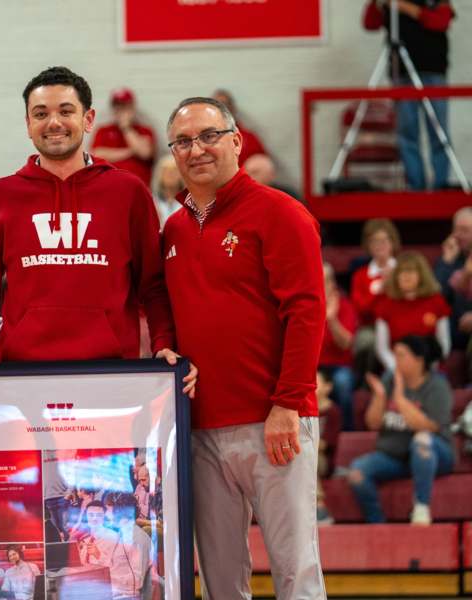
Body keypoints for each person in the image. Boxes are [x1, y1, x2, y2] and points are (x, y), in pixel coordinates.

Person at [0, 66, 194, 404]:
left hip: (112, 379)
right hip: (22, 381)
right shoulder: (0, 197)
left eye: (66, 111)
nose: (54, 122)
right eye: (41, 113)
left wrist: (164, 346)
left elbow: (153, 287)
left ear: (88, 119)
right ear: (28, 124)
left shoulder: (128, 192)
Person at [163, 97, 326, 599]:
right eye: (184, 141)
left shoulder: (280, 213)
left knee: (295, 571)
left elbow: (307, 312)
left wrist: (287, 404)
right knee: (220, 582)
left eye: (209, 136)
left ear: (236, 141)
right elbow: (167, 314)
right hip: (200, 429)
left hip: (274, 423)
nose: (197, 150)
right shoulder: (171, 229)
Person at [349, 335, 454, 524]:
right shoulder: (390, 380)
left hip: (434, 456)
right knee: (357, 472)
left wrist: (399, 398)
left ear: (419, 360)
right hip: (395, 457)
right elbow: (372, 423)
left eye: (401, 355)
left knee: (421, 440)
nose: (395, 360)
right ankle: (377, 525)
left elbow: (428, 426)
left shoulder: (437, 386)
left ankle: (421, 507)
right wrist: (380, 396)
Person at [363, 0, 455, 190]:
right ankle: (416, 185)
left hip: (433, 70)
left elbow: (441, 21)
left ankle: (440, 186)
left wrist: (402, 6)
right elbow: (370, 23)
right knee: (407, 132)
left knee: (438, 130)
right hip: (402, 73)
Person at [374, 251, 450, 373]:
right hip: (396, 369)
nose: (406, 276)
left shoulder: (437, 302)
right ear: (396, 276)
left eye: (411, 271)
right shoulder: (386, 305)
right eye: (402, 272)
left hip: (430, 369)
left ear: (422, 275)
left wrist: (426, 367)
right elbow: (382, 349)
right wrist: (398, 369)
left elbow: (444, 343)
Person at [91, 87, 156, 187]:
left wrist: (126, 128)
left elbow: (144, 153)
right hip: (108, 187)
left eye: (125, 106)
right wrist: (131, 151)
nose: (121, 111)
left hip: (139, 189)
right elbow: (96, 156)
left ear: (133, 107)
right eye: (117, 106)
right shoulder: (103, 131)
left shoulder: (145, 130)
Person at [320, 263, 358, 430]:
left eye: (323, 282)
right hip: (312, 366)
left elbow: (346, 344)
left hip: (339, 366)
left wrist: (332, 319)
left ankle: (346, 433)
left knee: (342, 383)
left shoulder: (345, 306)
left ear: (331, 284)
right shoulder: (304, 305)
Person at [351, 219, 400, 327]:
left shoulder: (402, 270)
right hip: (372, 325)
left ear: (393, 242)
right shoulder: (360, 275)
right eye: (374, 241)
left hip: (401, 323)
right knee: (365, 339)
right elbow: (360, 309)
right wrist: (380, 289)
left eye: (384, 240)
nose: (379, 245)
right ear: (368, 245)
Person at [435, 207, 472, 351]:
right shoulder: (450, 258)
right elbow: (436, 298)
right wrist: (446, 262)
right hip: (454, 331)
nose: (457, 235)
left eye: (464, 230)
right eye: (455, 230)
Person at [211, 89, 269, 168]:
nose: (220, 109)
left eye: (224, 104)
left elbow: (264, 168)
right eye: (216, 105)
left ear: (233, 108)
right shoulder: (201, 140)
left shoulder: (249, 139)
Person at [315, 369, 341, 525]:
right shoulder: (301, 409)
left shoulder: (333, 412)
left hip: (324, 460)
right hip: (304, 452)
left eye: (316, 382)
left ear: (328, 387)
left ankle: (320, 507)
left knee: (308, 459)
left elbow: (324, 445)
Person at [151, 155, 183, 227]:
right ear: (159, 175)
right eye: (166, 170)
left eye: (174, 170)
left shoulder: (190, 203)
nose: (170, 174)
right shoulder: (152, 202)